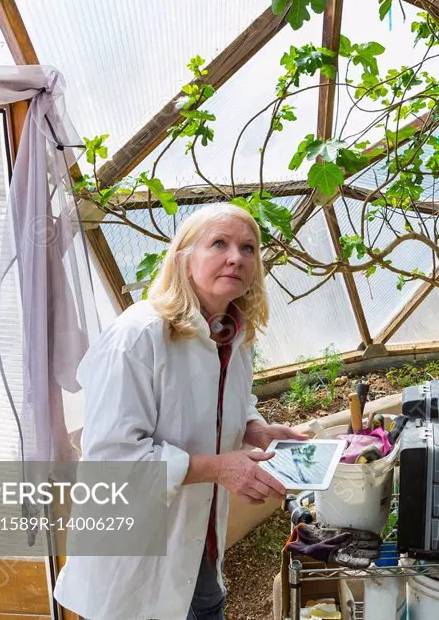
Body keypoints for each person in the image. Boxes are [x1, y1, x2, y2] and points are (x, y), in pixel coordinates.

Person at [53, 202, 307, 620]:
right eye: (219, 243)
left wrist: (254, 429)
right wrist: (220, 468)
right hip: (136, 562)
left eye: (248, 248)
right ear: (184, 259)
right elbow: (114, 459)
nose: (236, 257)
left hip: (199, 550)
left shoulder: (234, 334)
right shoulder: (137, 337)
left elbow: (230, 403)